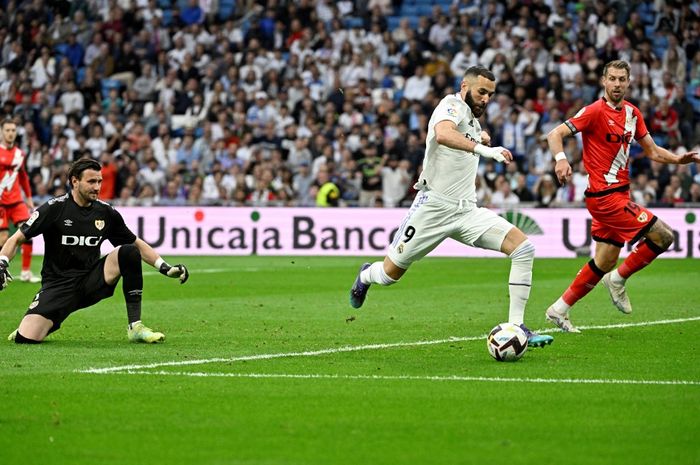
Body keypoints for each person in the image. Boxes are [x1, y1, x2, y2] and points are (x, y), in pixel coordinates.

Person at [349, 66, 553, 348]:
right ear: (464, 86)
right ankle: (365, 275)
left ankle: (517, 327)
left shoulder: (472, 120)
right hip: (433, 207)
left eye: (490, 95)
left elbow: (464, 136)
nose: (486, 99)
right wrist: (483, 148)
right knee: (388, 275)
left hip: (467, 210)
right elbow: (444, 134)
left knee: (523, 248)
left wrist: (479, 138)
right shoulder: (451, 104)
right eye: (481, 92)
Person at [544, 60, 700, 333]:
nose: (617, 84)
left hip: (618, 194)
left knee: (604, 260)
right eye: (612, 79)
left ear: (629, 82)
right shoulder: (593, 111)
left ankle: (559, 309)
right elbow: (554, 133)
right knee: (664, 236)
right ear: (604, 81)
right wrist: (560, 159)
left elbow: (651, 151)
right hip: (606, 198)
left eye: (622, 79)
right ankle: (617, 280)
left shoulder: (632, 113)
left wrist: (678, 159)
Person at [1, 158, 190, 344]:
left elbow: (137, 243)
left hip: (91, 281)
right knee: (26, 338)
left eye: (99, 181)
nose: (97, 187)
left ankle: (135, 326)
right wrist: (2, 262)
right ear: (75, 181)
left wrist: (165, 267)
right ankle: (42, 322)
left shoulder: (106, 213)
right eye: (91, 181)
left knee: (129, 252)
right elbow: (16, 239)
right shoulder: (54, 208)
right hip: (58, 285)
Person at [0, 119, 40, 283]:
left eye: (13, 130)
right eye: (7, 130)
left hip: (17, 201)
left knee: (28, 232)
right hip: (1, 202)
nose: (10, 133)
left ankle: (25, 271)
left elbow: (23, 177)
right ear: (2, 132)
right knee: (3, 239)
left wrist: (29, 198)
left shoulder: (20, 154)